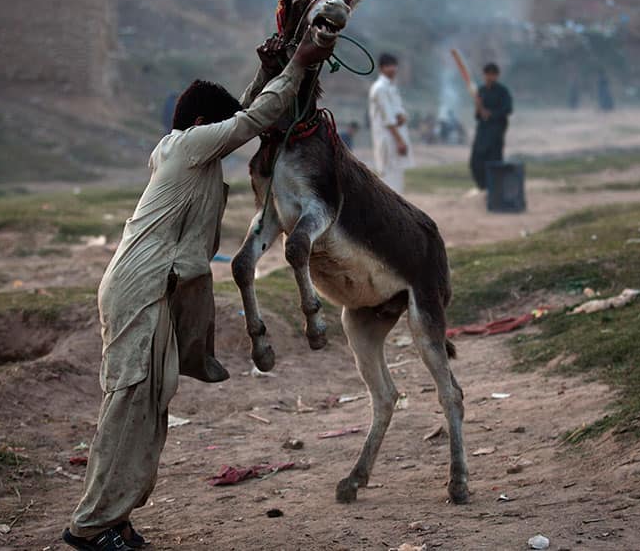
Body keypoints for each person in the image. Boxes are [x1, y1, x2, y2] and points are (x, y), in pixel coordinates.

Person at [62, 29, 333, 551]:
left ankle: (115, 518)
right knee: (128, 403)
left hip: (153, 289)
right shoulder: (187, 147)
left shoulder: (182, 147)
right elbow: (250, 121)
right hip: (139, 288)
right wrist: (299, 63)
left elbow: (243, 113)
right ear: (202, 126)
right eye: (219, 127)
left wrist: (271, 71)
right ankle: (88, 527)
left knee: (149, 403)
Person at [368, 52, 414, 193]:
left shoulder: (391, 87)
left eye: (394, 65)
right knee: (389, 177)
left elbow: (399, 115)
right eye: (389, 66)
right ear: (381, 68)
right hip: (388, 139)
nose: (393, 69)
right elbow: (389, 120)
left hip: (395, 136)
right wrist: (400, 141)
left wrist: (401, 117)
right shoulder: (380, 88)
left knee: (397, 175)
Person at [469, 62, 513, 190]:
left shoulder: (502, 91)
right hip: (482, 132)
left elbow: (508, 109)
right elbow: (478, 116)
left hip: (496, 132)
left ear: (496, 76)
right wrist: (478, 107)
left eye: (492, 75)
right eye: (487, 74)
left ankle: (494, 189)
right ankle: (482, 187)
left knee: (493, 162)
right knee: (475, 162)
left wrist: (491, 114)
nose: (489, 77)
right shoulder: (481, 91)